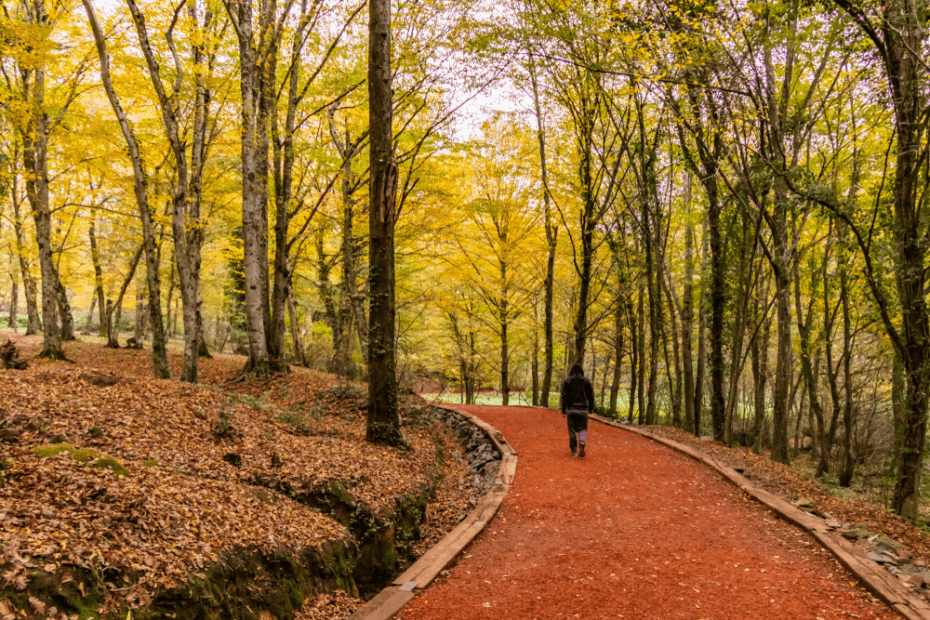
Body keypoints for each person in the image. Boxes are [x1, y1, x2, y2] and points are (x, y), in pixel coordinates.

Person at [560, 362, 595, 457]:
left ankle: (574, 451)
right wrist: (591, 408)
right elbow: (591, 396)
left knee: (571, 430)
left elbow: (564, 397)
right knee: (583, 428)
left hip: (571, 410)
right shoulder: (586, 381)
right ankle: (582, 442)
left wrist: (563, 410)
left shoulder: (567, 381)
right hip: (583, 410)